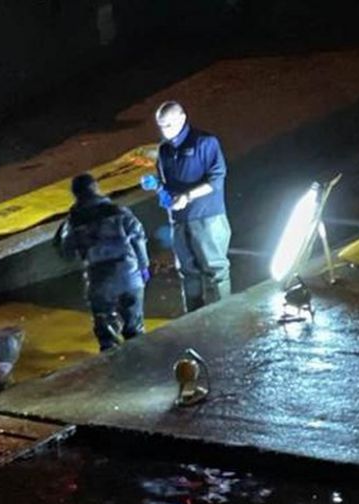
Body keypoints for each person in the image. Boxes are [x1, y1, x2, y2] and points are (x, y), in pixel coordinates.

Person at [141, 100, 231, 313]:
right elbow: (165, 185)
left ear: (182, 119)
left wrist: (187, 196)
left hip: (207, 217)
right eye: (161, 126)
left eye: (169, 125)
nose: (165, 130)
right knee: (188, 272)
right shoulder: (163, 150)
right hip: (179, 221)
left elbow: (216, 179)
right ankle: (193, 318)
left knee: (215, 270)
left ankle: (225, 315)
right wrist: (157, 186)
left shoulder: (205, 142)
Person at [57, 173, 150, 352]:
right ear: (96, 189)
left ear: (76, 195)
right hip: (129, 277)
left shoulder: (73, 222)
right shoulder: (119, 212)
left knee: (107, 338)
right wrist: (143, 267)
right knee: (135, 330)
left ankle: (113, 372)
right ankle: (141, 366)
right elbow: (138, 238)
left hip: (98, 282)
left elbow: (66, 253)